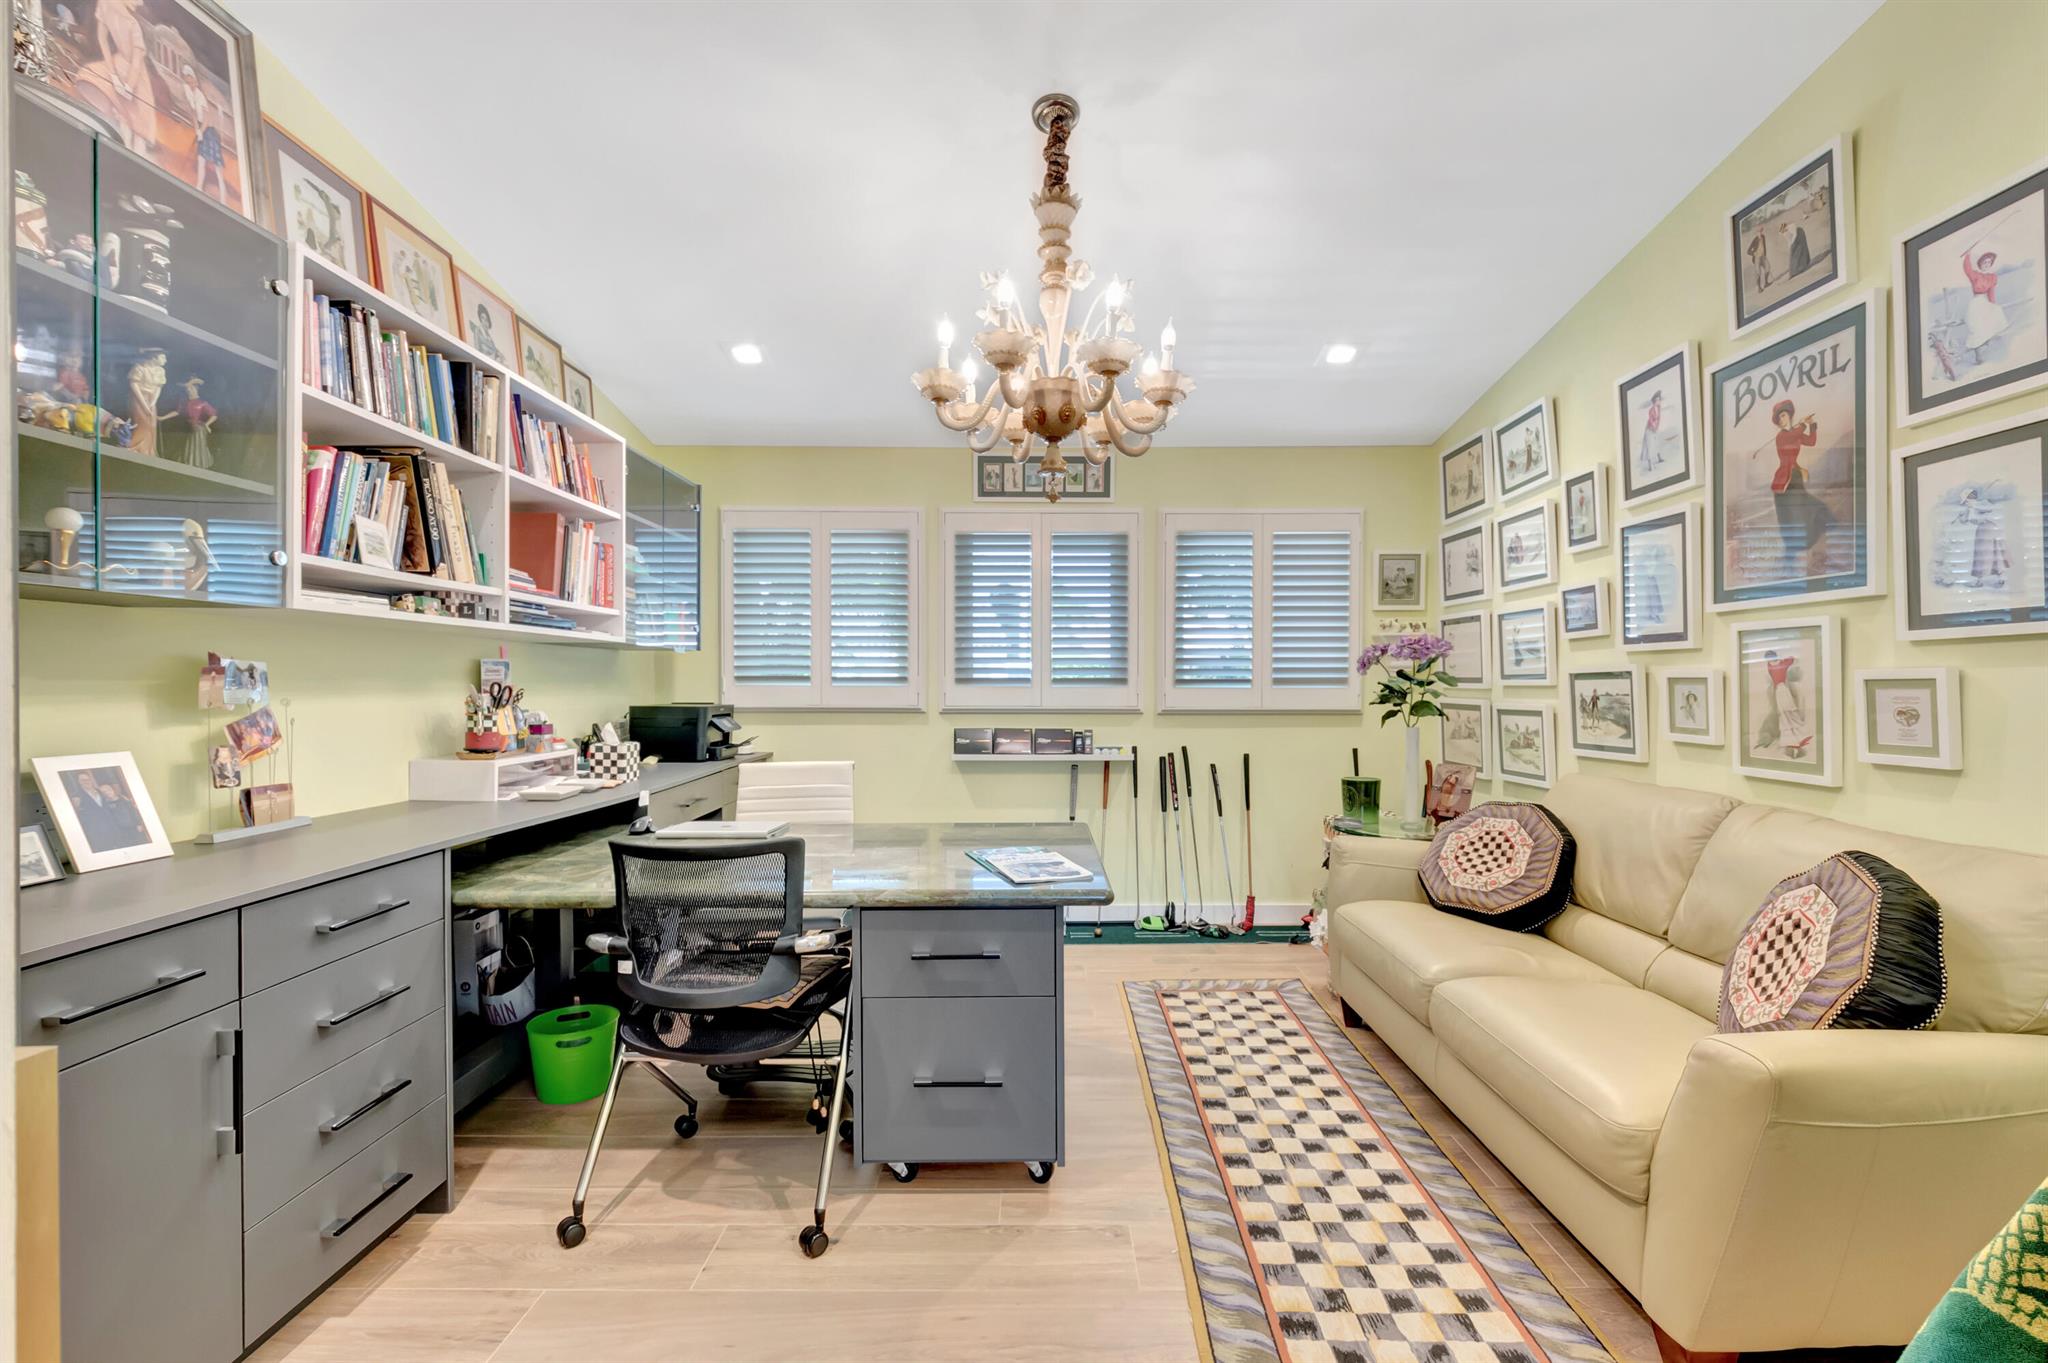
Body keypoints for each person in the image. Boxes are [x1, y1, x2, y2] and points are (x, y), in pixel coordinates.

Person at [1761, 399, 1832, 572]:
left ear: (1789, 415)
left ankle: (1812, 551)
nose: (1781, 420)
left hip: (1795, 477)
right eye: (1779, 418)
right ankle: (1792, 559)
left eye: (1784, 415)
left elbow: (1811, 441)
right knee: (1791, 520)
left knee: (1814, 510)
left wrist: (1812, 425)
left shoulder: (1795, 433)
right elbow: (1792, 436)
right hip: (1784, 481)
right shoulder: (1782, 436)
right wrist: (1802, 424)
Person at [1960, 248, 2009, 355]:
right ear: (1980, 264)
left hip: (1985, 301)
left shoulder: (1992, 277)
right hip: (1976, 302)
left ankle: (1987, 341)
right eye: (1984, 262)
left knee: (1994, 313)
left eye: (1989, 262)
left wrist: (1993, 305)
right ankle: (1978, 350)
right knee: (1976, 324)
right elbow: (1967, 269)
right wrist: (1967, 256)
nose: (1987, 264)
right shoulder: (1975, 275)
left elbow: (1991, 293)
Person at [1637, 388, 1664, 478]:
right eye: (1657, 400)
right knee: (1649, 446)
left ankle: (1659, 458)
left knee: (1657, 443)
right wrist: (1653, 427)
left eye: (1659, 400)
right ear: (1654, 401)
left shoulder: (1659, 408)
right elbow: (1651, 420)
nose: (1659, 401)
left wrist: (1656, 427)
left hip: (1655, 428)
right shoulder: (1651, 410)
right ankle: (1650, 465)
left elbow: (1659, 419)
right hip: (1649, 429)